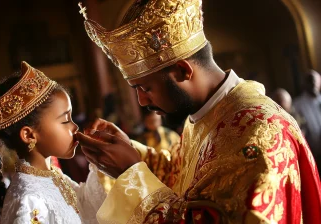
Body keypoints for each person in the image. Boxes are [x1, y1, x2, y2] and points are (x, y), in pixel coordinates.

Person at [77, 0, 321, 223]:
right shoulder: (206, 115)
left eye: (145, 88)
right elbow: (182, 176)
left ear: (183, 71)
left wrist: (132, 173)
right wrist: (132, 152)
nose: (141, 101)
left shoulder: (259, 133)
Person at [0, 62, 105, 224]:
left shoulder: (53, 177)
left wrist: (101, 162)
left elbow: (88, 209)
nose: (75, 127)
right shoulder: (28, 200)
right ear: (29, 135)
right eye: (65, 120)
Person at [293, 70, 321, 173]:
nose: (313, 83)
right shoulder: (297, 105)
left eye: (315, 80)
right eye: (310, 80)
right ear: (304, 83)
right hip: (313, 154)